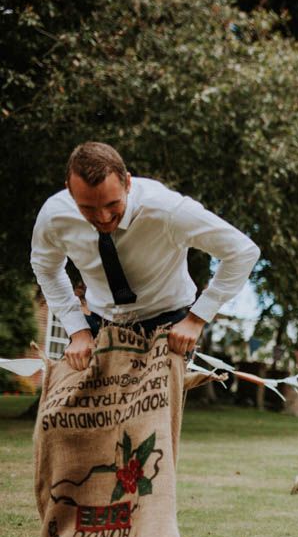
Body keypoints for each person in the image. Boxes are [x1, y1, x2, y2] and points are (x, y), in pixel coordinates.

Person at [31, 141, 260, 370]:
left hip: (168, 325)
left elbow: (242, 251)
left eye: (112, 204)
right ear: (70, 192)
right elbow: (46, 268)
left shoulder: (168, 210)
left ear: (128, 183)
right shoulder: (54, 217)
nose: (102, 217)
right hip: (99, 323)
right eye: (88, 208)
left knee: (156, 406)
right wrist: (77, 329)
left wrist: (197, 318)